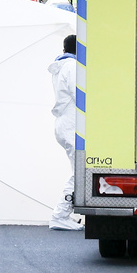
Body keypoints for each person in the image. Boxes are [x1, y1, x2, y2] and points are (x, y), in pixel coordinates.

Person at [48, 34, 83, 231]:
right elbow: (80, 96)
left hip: (64, 124)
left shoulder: (60, 67)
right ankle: (60, 215)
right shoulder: (72, 67)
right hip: (72, 125)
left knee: (77, 170)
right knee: (79, 172)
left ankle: (62, 214)